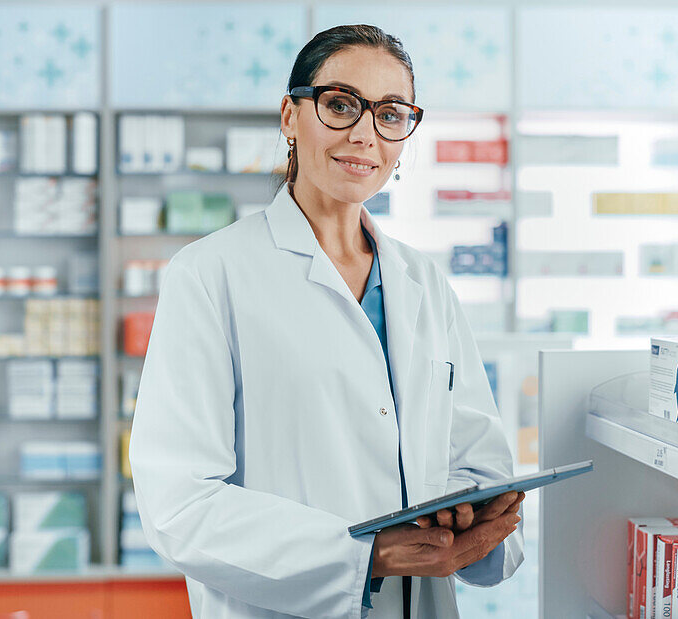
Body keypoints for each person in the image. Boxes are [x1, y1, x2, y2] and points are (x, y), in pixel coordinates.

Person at [129, 24, 524, 619]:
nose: (364, 134)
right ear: (290, 116)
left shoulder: (424, 284)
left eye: (390, 114)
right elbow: (180, 505)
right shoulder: (210, 274)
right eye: (340, 105)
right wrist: (367, 554)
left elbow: (473, 453)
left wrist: (472, 515)